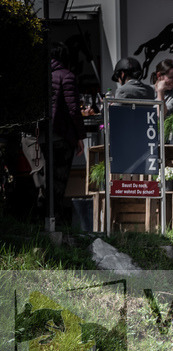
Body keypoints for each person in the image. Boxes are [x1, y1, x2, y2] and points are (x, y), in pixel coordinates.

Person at [46, 42, 85, 223]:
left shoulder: (43, 75)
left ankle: (44, 220)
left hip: (43, 137)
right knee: (59, 183)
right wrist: (79, 136)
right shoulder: (66, 76)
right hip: (62, 135)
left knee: (46, 180)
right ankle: (57, 221)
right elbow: (73, 110)